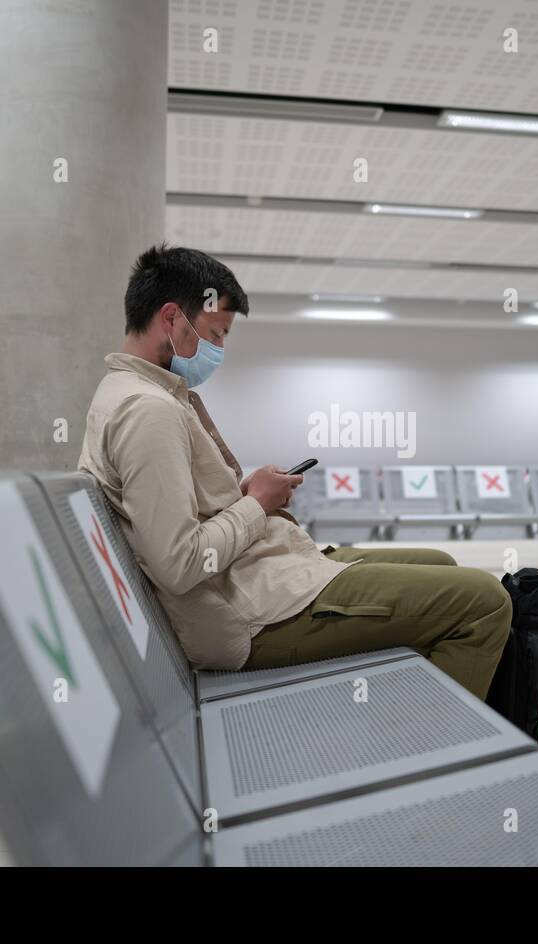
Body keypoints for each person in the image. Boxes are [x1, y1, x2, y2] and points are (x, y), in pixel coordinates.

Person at [79, 245, 510, 699]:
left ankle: (405, 711)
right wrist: (255, 503)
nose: (219, 349)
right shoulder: (149, 411)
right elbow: (179, 563)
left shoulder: (137, 394)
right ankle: (424, 754)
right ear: (171, 318)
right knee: (484, 603)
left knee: (441, 565)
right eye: (216, 333)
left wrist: (241, 496)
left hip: (257, 576)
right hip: (251, 614)